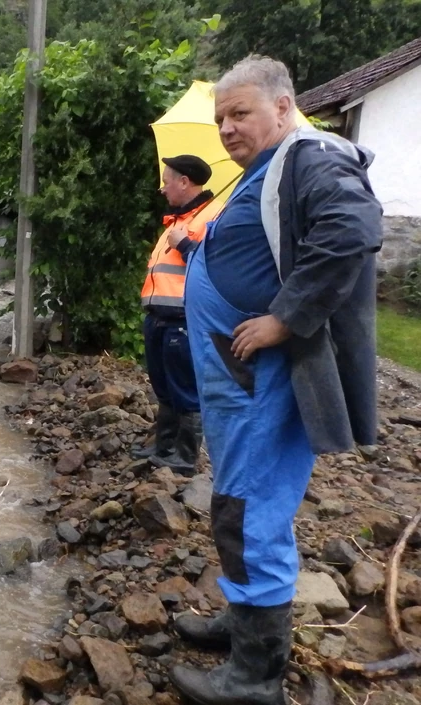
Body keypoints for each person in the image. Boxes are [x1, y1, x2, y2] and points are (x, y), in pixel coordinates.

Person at [169, 55, 382, 705]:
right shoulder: (268, 168)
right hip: (238, 381)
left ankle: (254, 677)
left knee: (247, 512)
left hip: (260, 380)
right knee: (242, 504)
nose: (227, 128)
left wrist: (285, 319)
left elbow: (352, 229)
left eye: (240, 113)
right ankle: (244, 620)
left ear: (284, 107)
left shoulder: (311, 156)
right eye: (221, 118)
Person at [133, 155, 219, 476]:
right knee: (164, 388)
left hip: (183, 319)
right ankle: (163, 447)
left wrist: (184, 245)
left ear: (184, 182)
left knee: (185, 390)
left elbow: (218, 264)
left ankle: (184, 457)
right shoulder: (175, 221)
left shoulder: (213, 215)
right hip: (158, 318)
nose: (162, 189)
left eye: (166, 182)